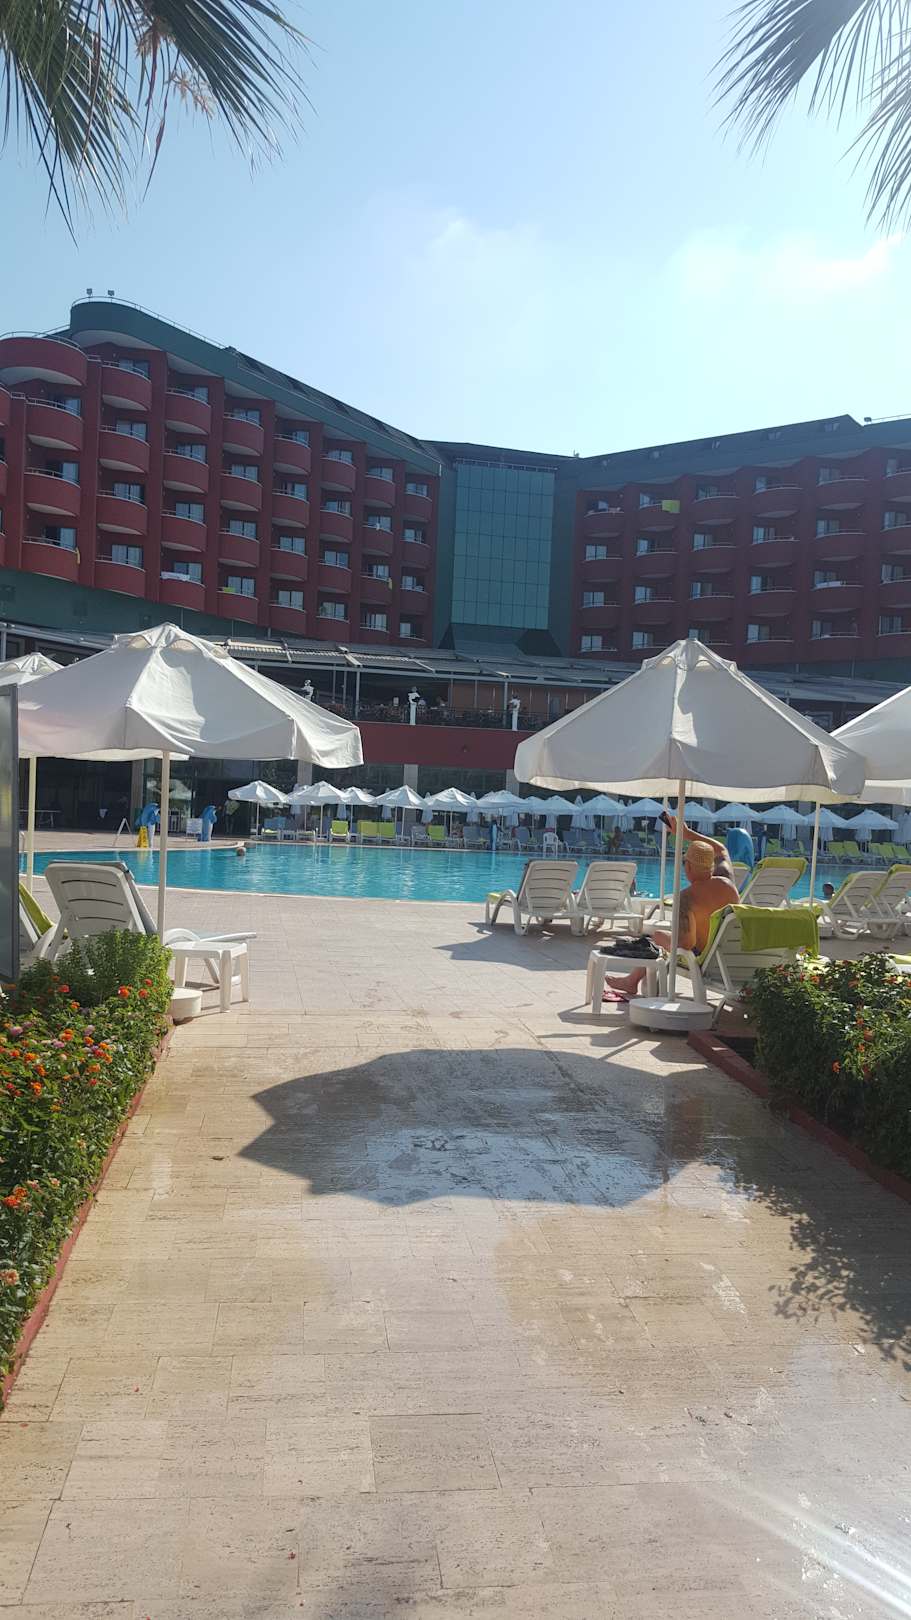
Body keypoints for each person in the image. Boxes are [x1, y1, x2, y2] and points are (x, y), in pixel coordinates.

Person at [605, 814, 740, 999]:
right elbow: (722, 850)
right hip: (728, 956)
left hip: (703, 958)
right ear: (711, 866)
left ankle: (631, 981)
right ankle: (631, 981)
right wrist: (687, 833)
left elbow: (685, 944)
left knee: (657, 937)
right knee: (660, 938)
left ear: (688, 867)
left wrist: (662, 938)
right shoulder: (728, 883)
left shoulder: (686, 897)